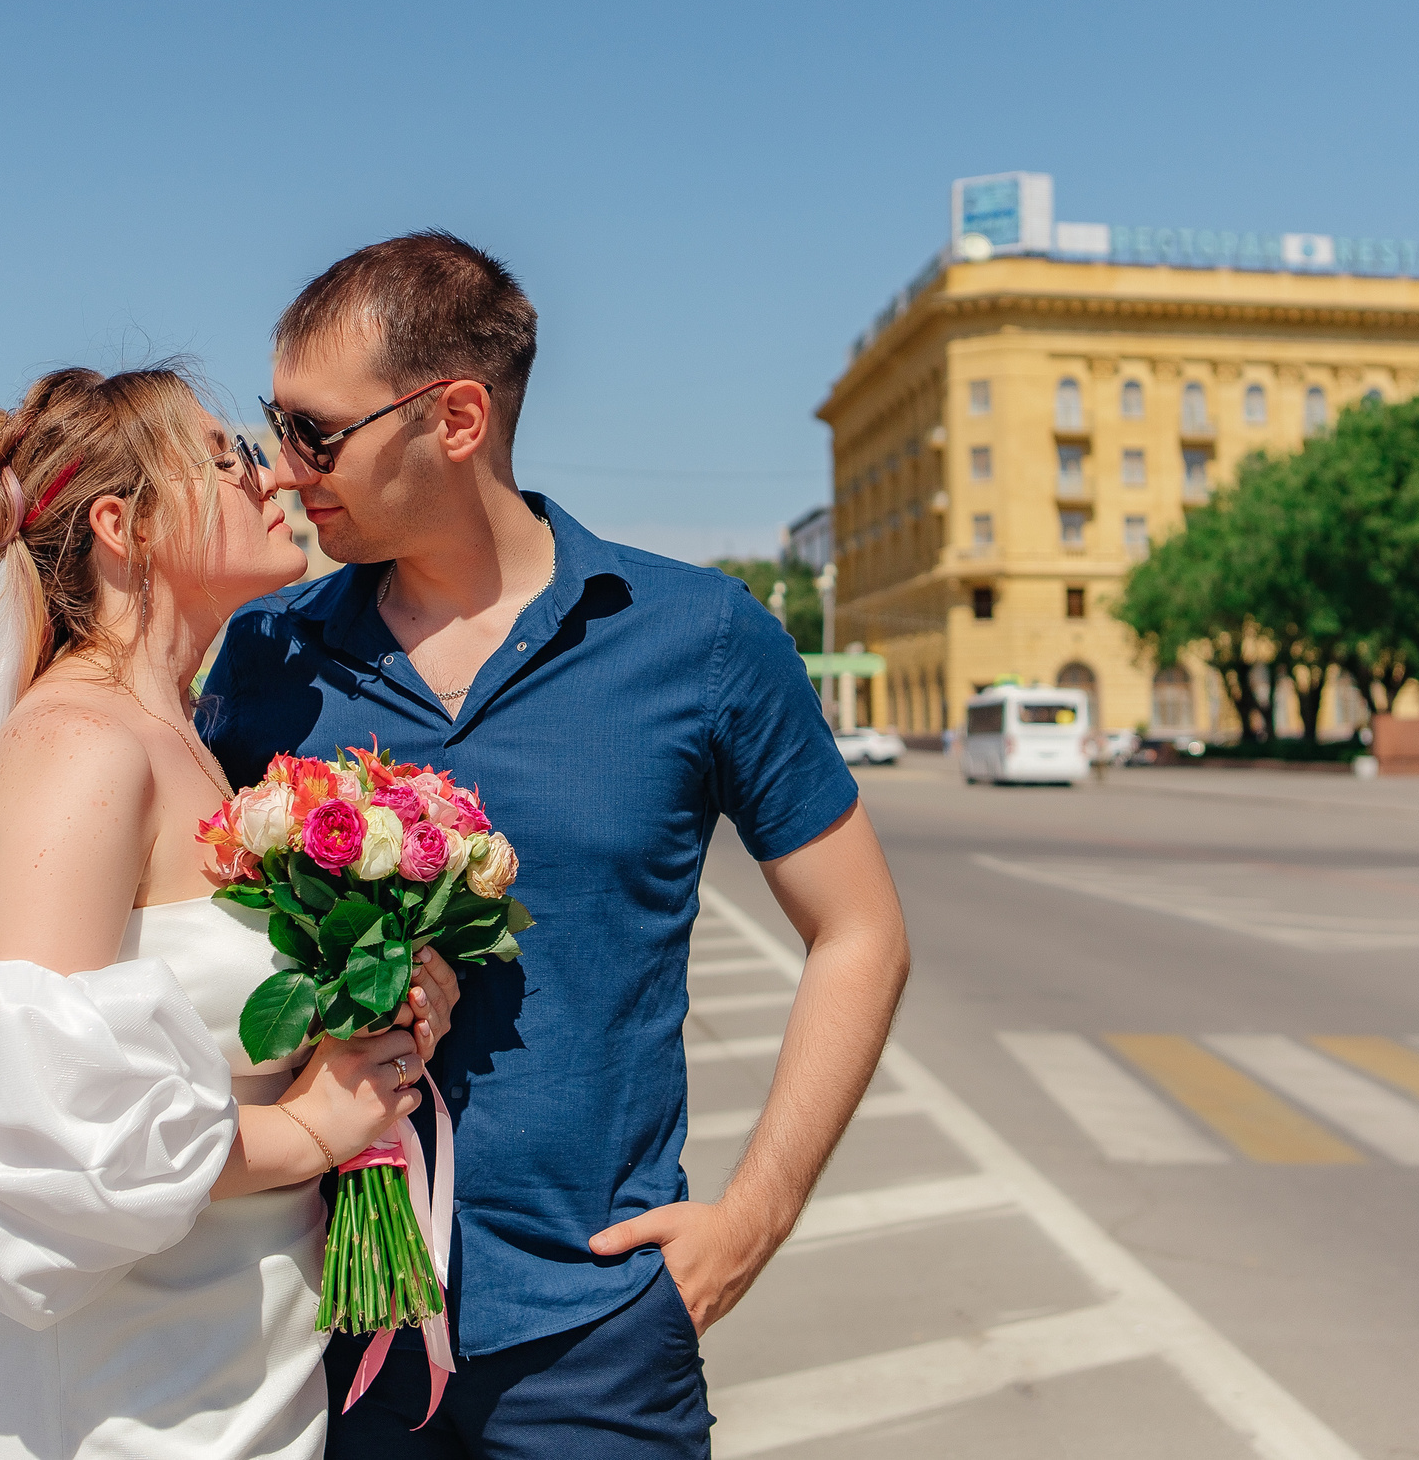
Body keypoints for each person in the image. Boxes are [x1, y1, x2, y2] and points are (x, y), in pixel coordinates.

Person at [200, 234, 912, 1457]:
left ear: (457, 417)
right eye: (274, 426)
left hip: (594, 1335)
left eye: (315, 433)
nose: (283, 469)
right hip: (310, 1327)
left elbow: (861, 931)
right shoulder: (266, 654)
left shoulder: (697, 637)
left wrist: (754, 1216)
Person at [0, 364, 462, 1460]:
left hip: (225, 1354)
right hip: (123, 1395)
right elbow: (35, 1118)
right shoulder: (81, 747)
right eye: (226, 456)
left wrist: (379, 1002)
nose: (270, 474)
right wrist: (305, 1128)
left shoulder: (179, 736)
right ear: (123, 525)